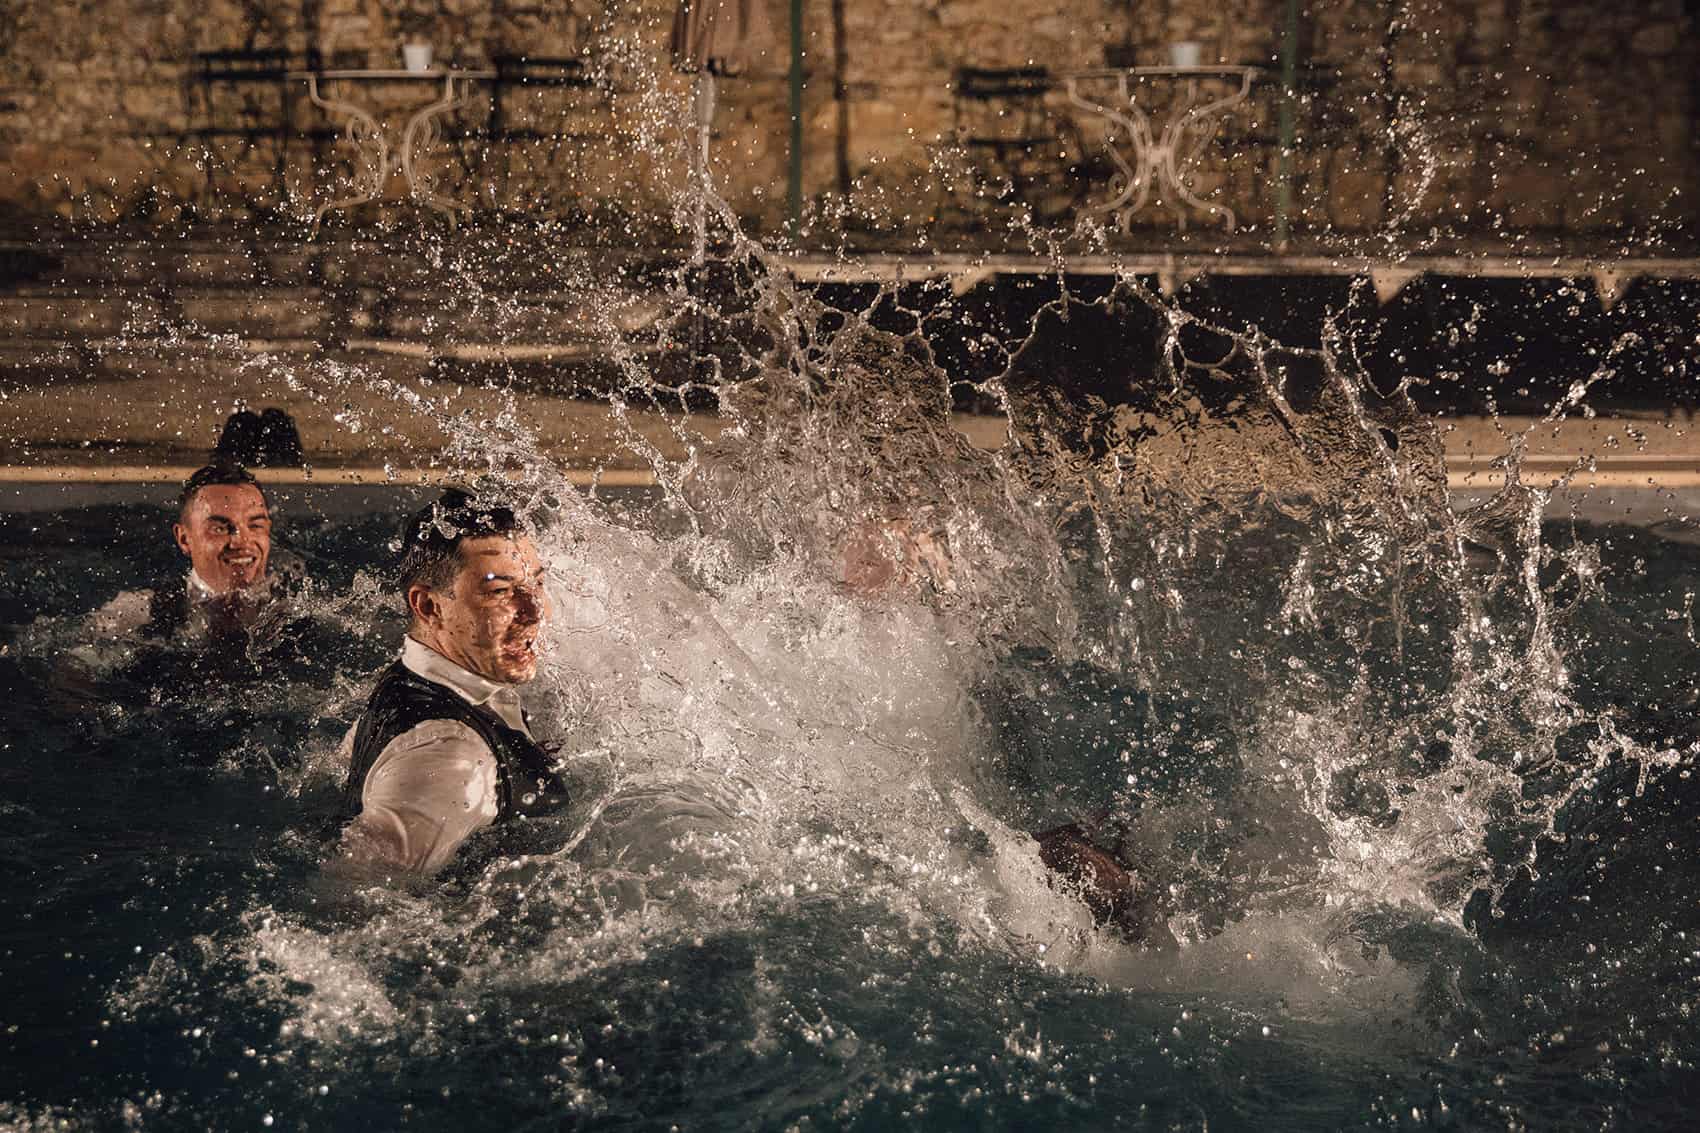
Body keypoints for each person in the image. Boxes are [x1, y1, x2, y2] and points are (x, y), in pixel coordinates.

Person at [337, 489, 569, 876]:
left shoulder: (408, 681)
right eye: (500, 592)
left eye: (538, 585)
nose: (535, 613)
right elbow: (351, 900)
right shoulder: (452, 761)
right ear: (429, 606)